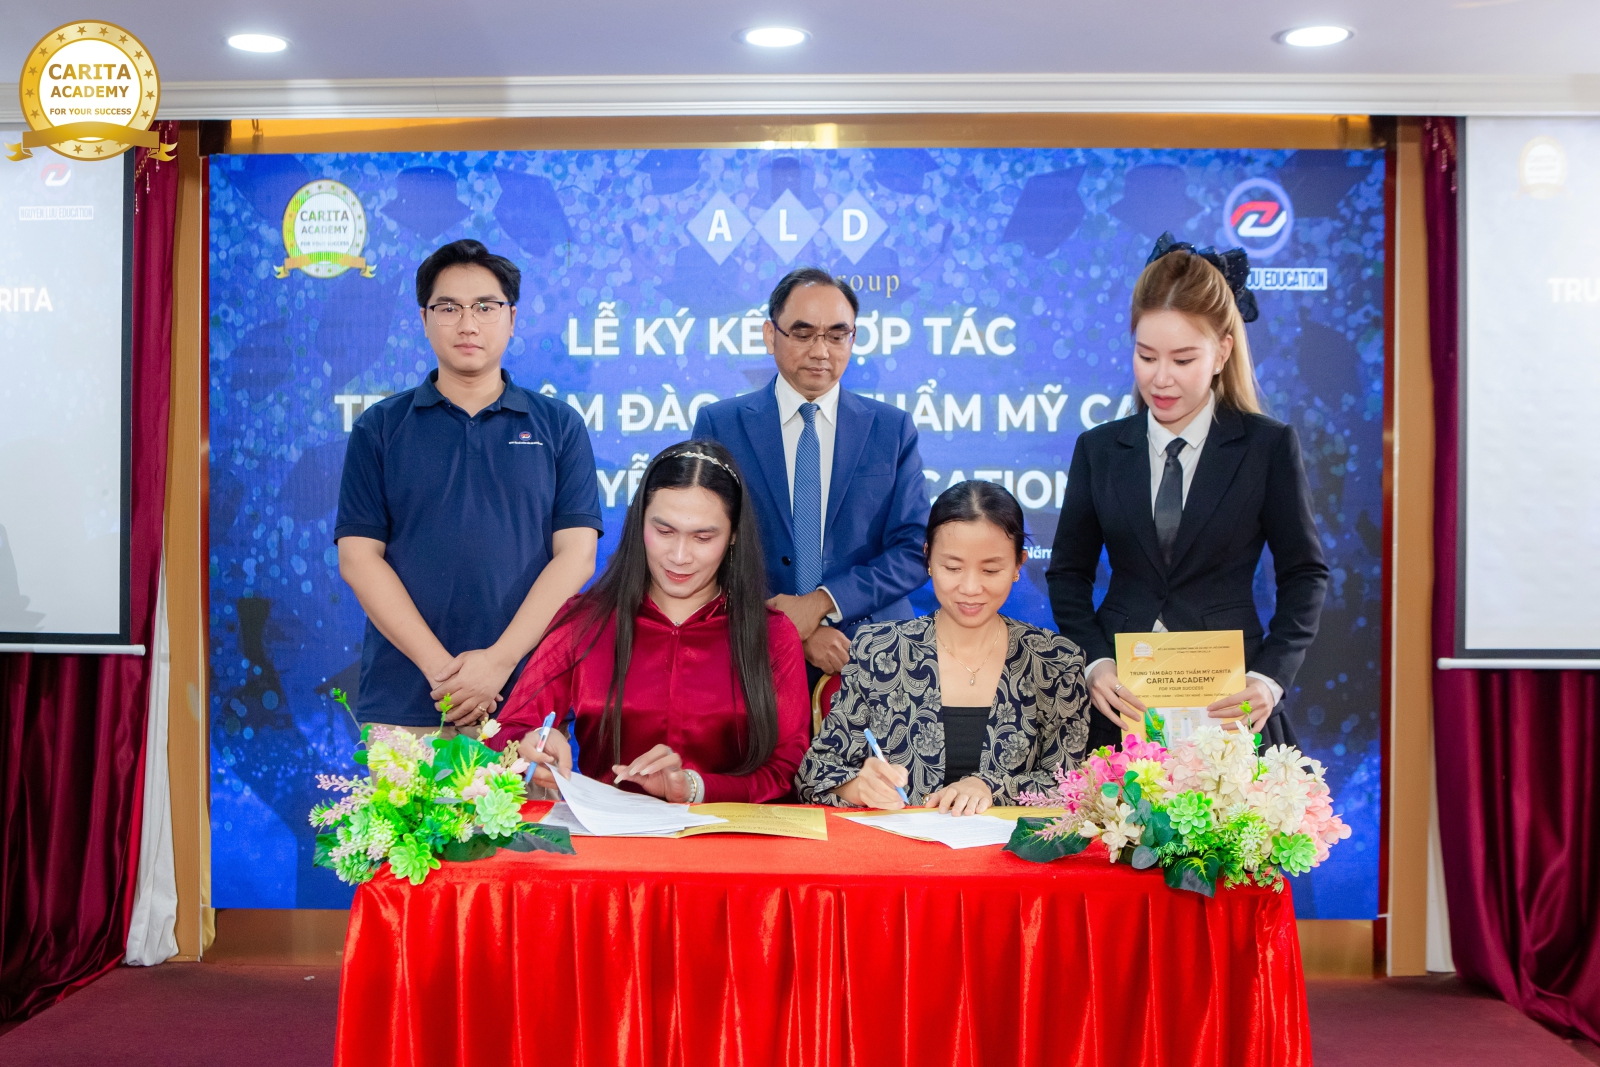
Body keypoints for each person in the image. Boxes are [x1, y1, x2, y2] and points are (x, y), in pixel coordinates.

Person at [1046, 233, 1329, 752]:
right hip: (1121, 704)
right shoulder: (1099, 449)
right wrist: (1094, 661)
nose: (1161, 379)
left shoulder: (1266, 447)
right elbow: (1067, 573)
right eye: (1146, 356)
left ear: (1222, 352)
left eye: (1182, 360)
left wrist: (1269, 679)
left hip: (1230, 703)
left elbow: (1305, 574)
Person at [335, 239, 602, 733]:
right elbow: (358, 558)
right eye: (448, 308)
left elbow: (577, 557)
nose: (467, 324)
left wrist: (498, 662)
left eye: (485, 306)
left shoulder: (559, 425)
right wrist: (445, 675)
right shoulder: (381, 427)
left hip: (523, 697)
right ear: (424, 319)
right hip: (406, 699)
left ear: (511, 318)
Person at [488, 441, 810, 804]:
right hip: (610, 833)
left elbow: (788, 769)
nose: (679, 556)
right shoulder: (585, 622)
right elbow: (504, 730)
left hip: (732, 835)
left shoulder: (772, 634)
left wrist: (694, 787)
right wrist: (530, 742)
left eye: (703, 537)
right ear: (639, 521)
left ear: (733, 535)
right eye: (664, 532)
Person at [795, 481, 1089, 813]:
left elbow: (1073, 786)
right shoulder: (880, 652)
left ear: (1018, 564)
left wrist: (991, 787)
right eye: (953, 568)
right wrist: (857, 786)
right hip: (899, 845)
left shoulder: (1055, 662)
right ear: (928, 559)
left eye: (990, 570)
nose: (970, 587)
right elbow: (813, 774)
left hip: (1010, 847)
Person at [692, 267, 930, 677]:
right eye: (803, 334)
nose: (821, 351)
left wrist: (821, 603)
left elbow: (913, 549)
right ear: (771, 335)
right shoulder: (721, 425)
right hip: (754, 656)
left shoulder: (891, 429)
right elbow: (703, 544)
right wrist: (788, 628)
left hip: (870, 656)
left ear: (853, 338)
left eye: (837, 335)